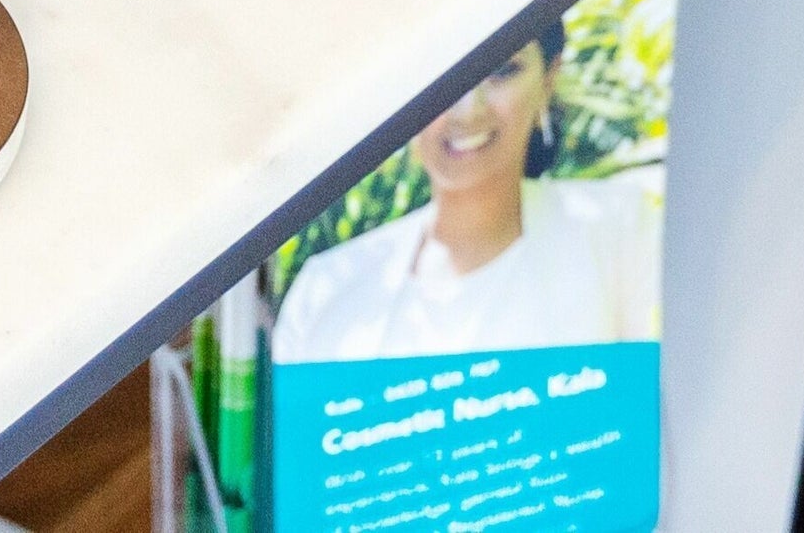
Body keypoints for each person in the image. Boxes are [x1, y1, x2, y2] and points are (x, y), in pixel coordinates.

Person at [269, 22, 662, 362]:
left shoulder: (620, 234)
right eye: (443, 72)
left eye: (502, 70)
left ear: (548, 79)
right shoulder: (327, 294)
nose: (467, 108)